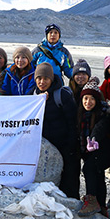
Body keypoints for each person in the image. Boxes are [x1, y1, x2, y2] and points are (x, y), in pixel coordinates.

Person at [33, 62, 80, 199]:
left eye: (46, 79)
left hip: (65, 142)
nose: (42, 82)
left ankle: (71, 199)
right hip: (45, 143)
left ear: (51, 79)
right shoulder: (33, 95)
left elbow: (73, 121)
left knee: (69, 173)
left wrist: (72, 144)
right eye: (39, 78)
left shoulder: (62, 95)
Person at [76, 77, 110, 217]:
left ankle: (91, 200)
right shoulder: (80, 113)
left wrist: (93, 139)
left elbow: (100, 128)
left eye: (92, 99)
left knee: (89, 168)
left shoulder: (104, 112)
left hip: (105, 149)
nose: (88, 102)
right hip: (90, 150)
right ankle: (102, 206)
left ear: (97, 100)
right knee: (97, 174)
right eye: (85, 98)